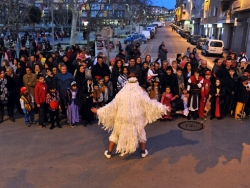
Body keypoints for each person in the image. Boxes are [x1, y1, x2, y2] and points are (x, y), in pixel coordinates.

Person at [91, 72, 167, 159]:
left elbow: (112, 105)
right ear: (136, 80)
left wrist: (99, 111)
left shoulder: (122, 93)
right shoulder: (140, 92)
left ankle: (109, 152)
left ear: (128, 80)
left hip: (121, 118)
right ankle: (143, 152)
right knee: (141, 133)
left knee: (116, 134)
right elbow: (149, 103)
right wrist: (162, 108)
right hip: (136, 118)